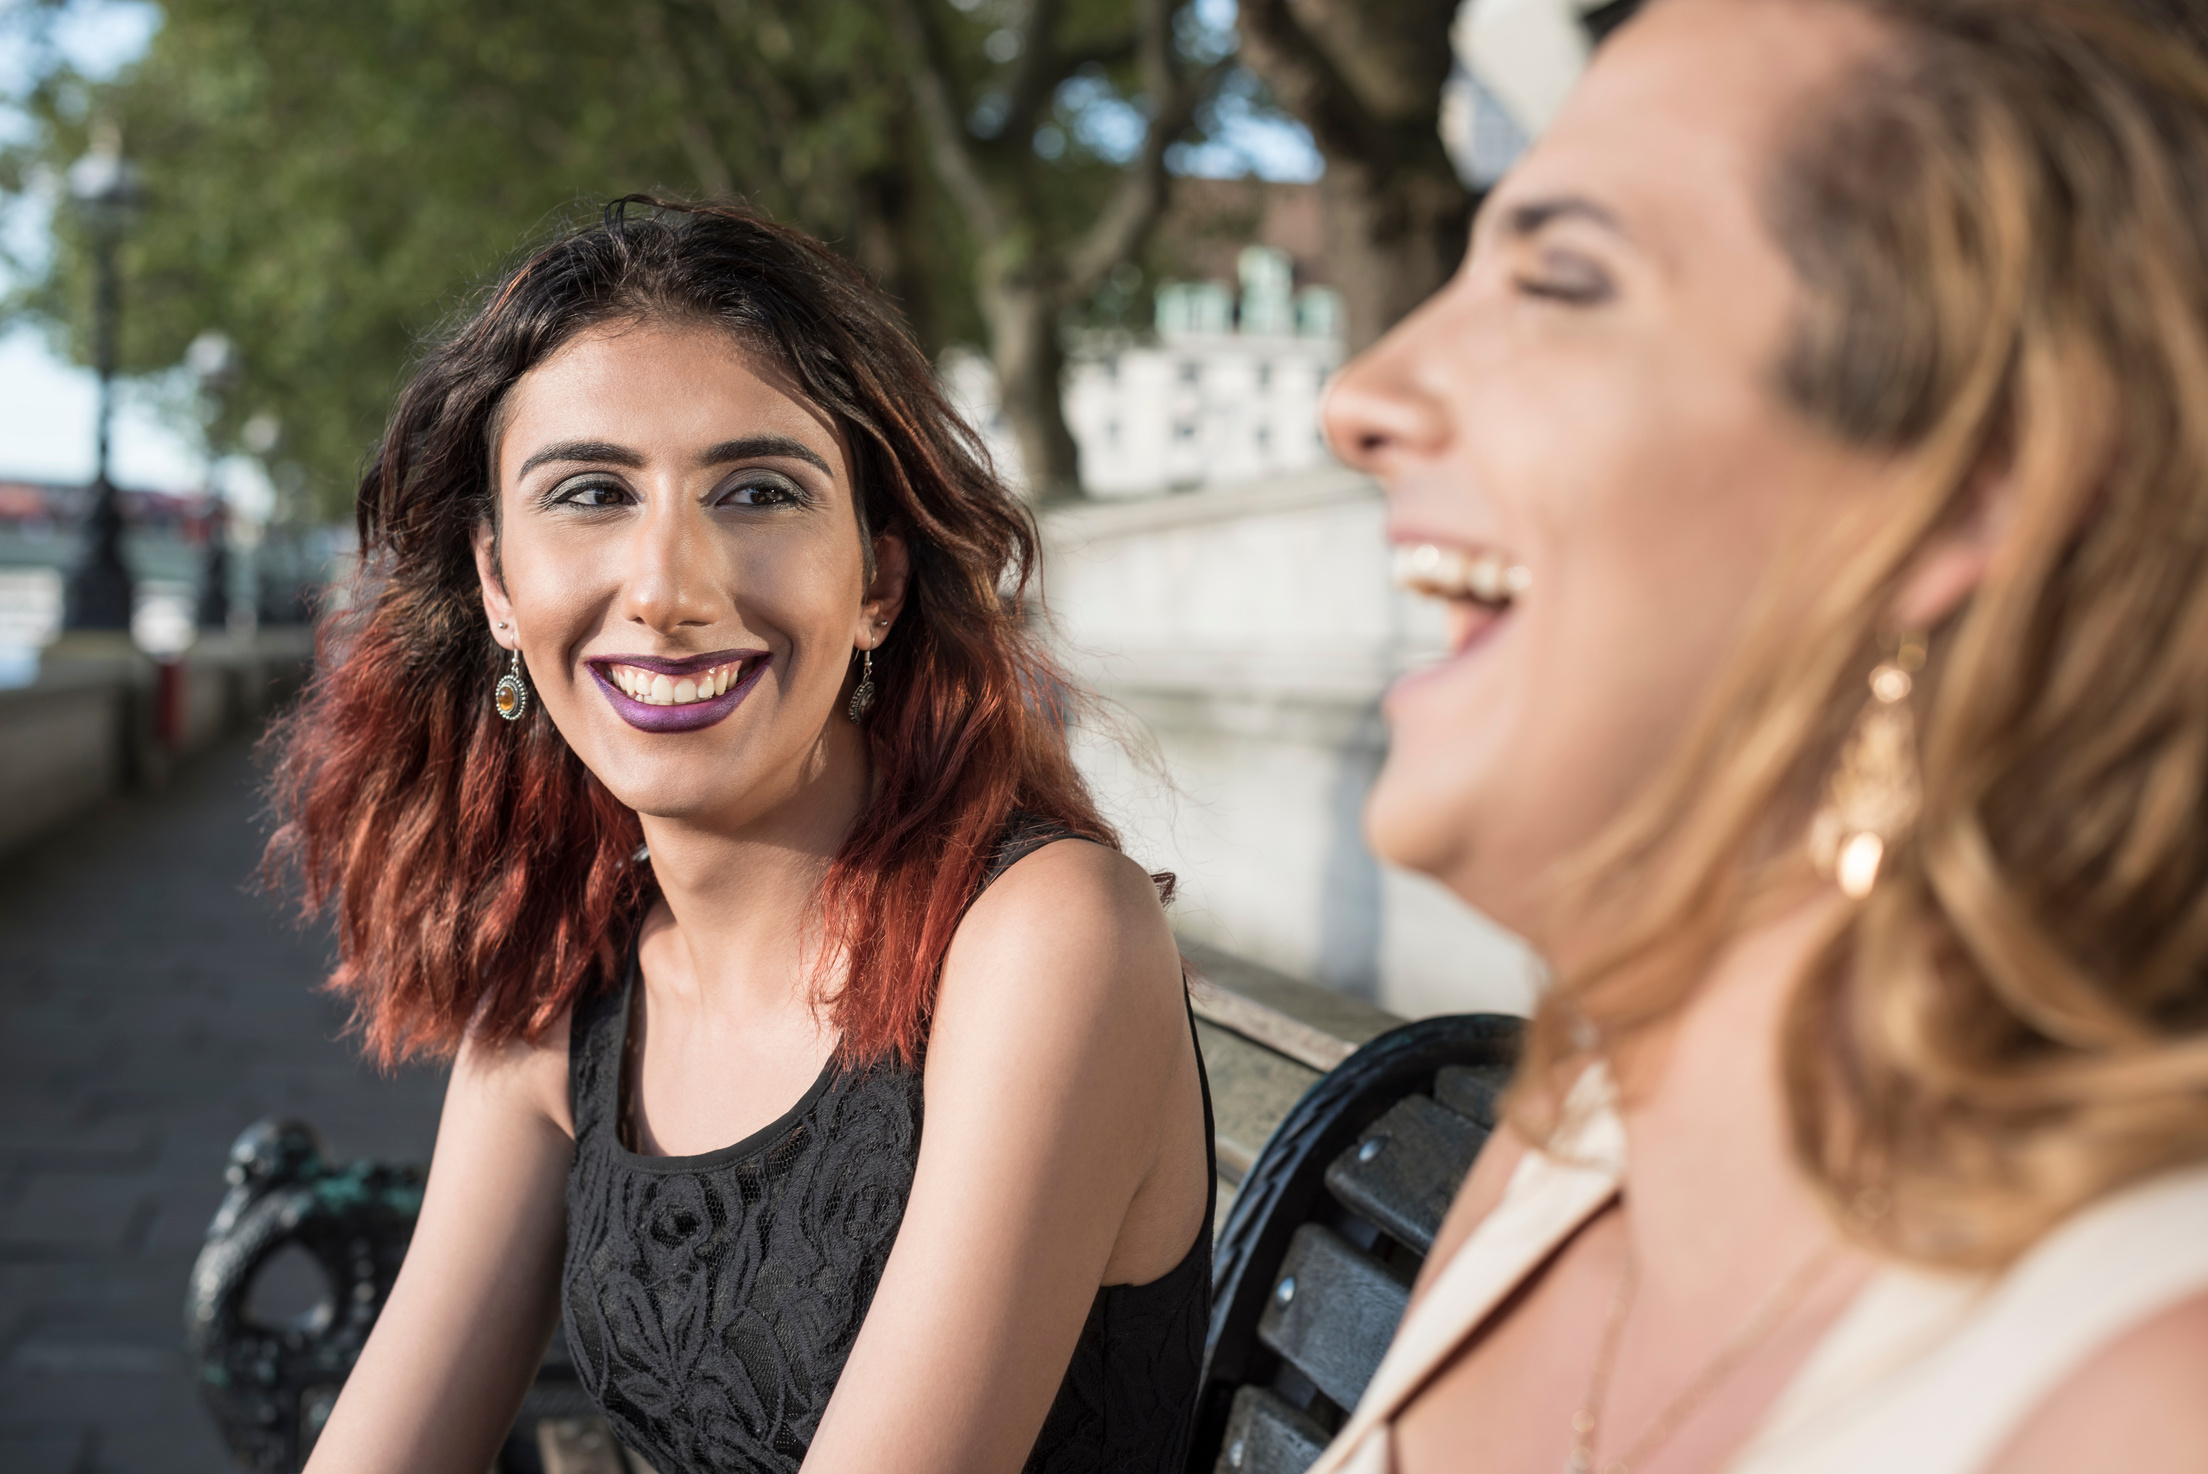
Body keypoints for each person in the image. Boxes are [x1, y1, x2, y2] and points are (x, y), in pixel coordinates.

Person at [1311, 0, 2208, 1470]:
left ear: (1970, 481)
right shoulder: (1570, 1145)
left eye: (1565, 277)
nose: (1363, 396)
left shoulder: (2142, 1403)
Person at [266, 199, 1213, 1474]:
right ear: (498, 585)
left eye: (759, 491)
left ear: (876, 582)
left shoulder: (1046, 940)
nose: (669, 587)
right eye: (591, 493)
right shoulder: (572, 978)